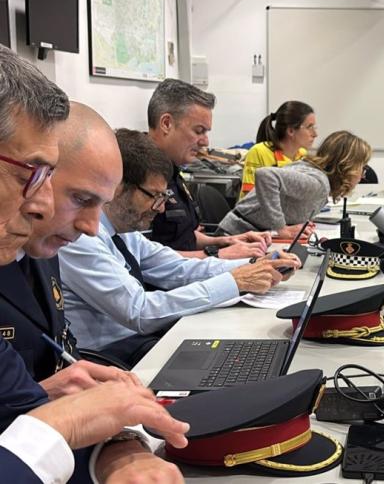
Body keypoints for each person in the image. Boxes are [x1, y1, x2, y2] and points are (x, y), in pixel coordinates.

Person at [0, 45, 187, 484]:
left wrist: (116, 444)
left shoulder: (35, 250)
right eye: (30, 174)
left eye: (46, 178)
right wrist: (67, 422)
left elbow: (22, 404)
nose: (41, 204)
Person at [59, 129, 300, 367]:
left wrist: (256, 265)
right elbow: (139, 312)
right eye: (154, 196)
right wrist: (235, 281)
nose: (161, 208)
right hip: (112, 358)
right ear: (118, 187)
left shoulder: (124, 231)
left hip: (140, 342)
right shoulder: (80, 239)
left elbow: (177, 268)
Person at [0, 102, 143, 398]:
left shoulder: (44, 250)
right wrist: (44, 398)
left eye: (101, 205)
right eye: (81, 199)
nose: (91, 227)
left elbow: (59, 344)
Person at [147, 78, 270, 259]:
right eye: (199, 131)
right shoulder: (138, 177)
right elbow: (147, 259)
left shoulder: (171, 170)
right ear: (166, 124)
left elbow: (181, 237)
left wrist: (226, 241)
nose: (205, 141)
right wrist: (217, 254)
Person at [217, 130, 372, 236]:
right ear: (347, 166)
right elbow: (266, 175)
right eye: (362, 167)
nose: (363, 174)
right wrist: (281, 228)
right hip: (235, 235)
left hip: (248, 233)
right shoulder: (318, 183)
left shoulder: (313, 172)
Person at [240, 100, 316, 198]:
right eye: (309, 127)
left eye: (314, 127)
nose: (315, 134)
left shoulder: (302, 154)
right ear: (291, 131)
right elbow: (251, 198)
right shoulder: (259, 152)